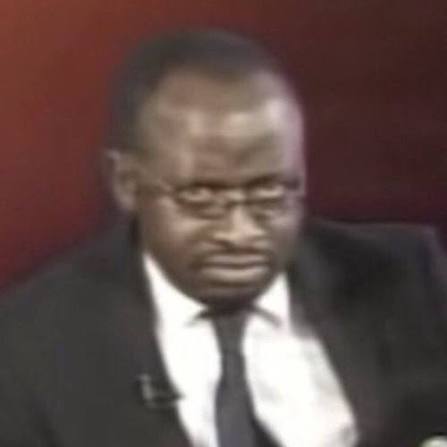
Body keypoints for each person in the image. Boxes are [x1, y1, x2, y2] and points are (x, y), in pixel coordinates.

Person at [0, 29, 446, 447]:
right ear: (127, 183)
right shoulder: (31, 345)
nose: (240, 232)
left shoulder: (408, 281)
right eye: (201, 197)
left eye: (270, 192)